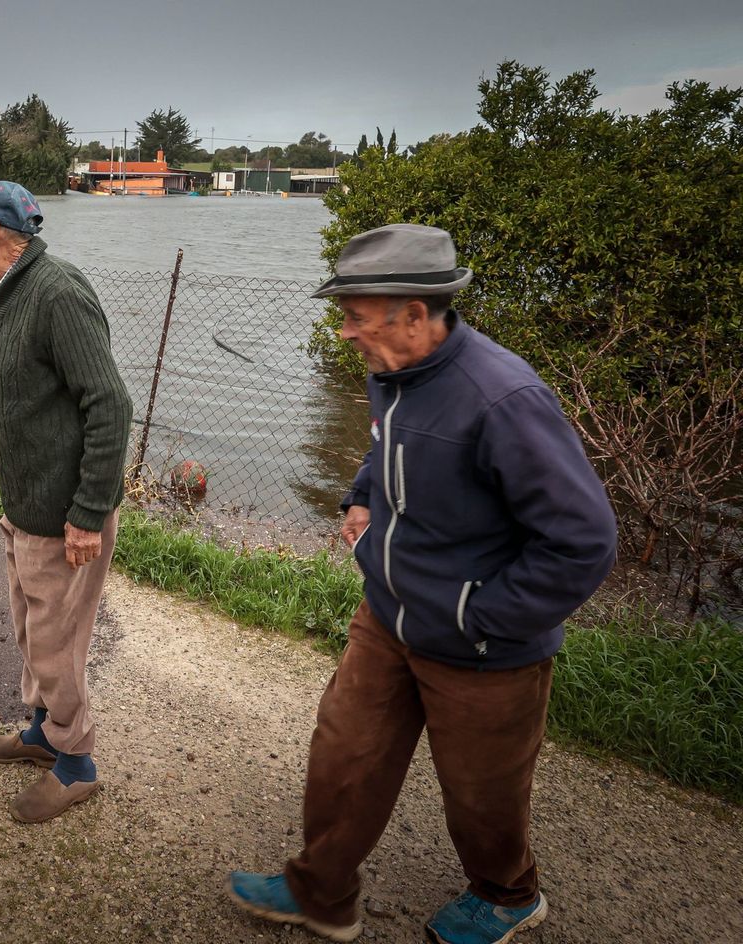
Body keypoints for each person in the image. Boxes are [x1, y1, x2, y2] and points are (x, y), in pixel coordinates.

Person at [228, 224, 617, 944]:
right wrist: (360, 495)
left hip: (482, 646)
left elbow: (585, 540)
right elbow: (386, 451)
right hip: (387, 618)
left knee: (482, 796)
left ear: (413, 313)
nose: (345, 332)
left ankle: (507, 895)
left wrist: (479, 614)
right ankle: (323, 893)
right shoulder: (392, 374)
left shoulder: (502, 399)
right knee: (344, 756)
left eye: (355, 315)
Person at [0, 181, 133, 824]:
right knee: (31, 629)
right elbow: (23, 366)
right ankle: (46, 733)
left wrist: (86, 514)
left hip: (62, 514)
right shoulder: (11, 291)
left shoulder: (58, 293)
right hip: (25, 504)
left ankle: (76, 766)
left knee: (58, 641)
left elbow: (109, 402)